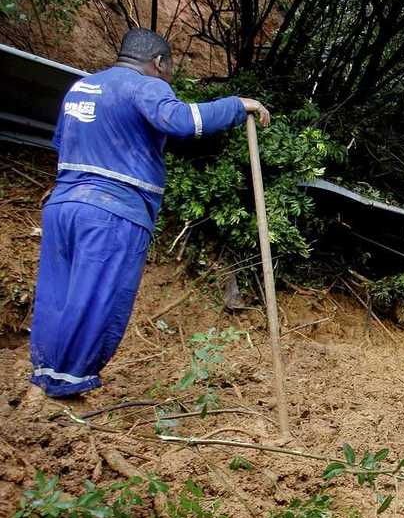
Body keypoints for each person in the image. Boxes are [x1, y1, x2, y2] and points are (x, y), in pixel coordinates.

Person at [27, 28, 270, 399]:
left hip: (63, 205)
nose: (168, 78)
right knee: (95, 301)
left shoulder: (82, 87)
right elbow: (181, 121)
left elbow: (62, 144)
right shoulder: (144, 85)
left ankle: (44, 382)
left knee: (57, 295)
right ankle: (65, 391)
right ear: (158, 62)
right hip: (111, 213)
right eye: (169, 71)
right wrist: (237, 105)